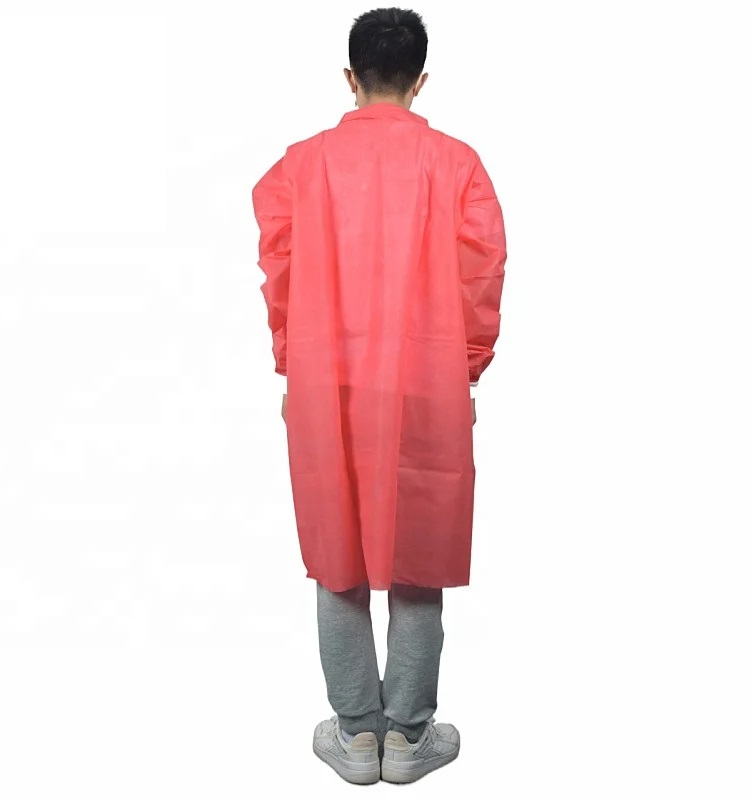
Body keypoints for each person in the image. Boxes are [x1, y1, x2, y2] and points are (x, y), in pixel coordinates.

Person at [251, 6, 507, 785]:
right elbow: (482, 274)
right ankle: (408, 737)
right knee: (419, 544)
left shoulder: (300, 167)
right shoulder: (457, 165)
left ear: (350, 76)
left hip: (326, 378)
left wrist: (291, 363)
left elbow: (280, 272)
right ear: (420, 80)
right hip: (426, 377)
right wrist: (466, 368)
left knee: (338, 548)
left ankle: (357, 736)